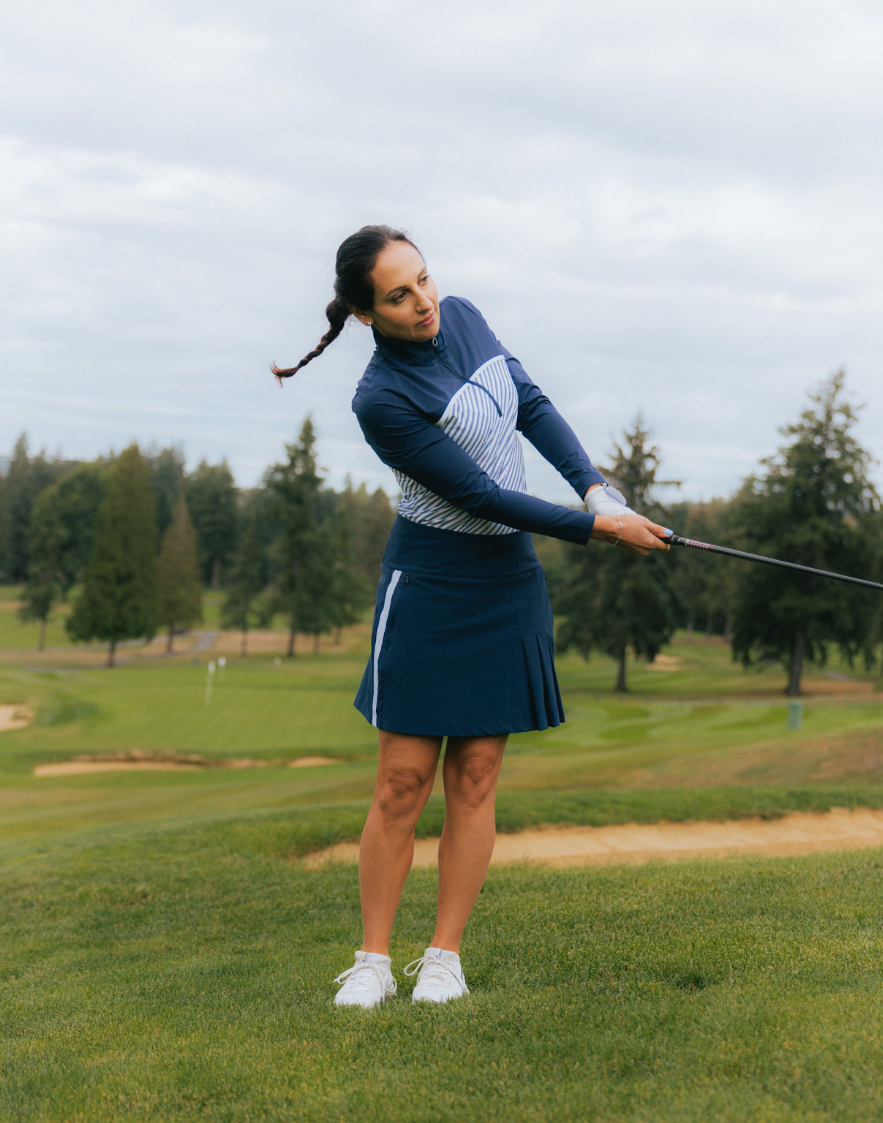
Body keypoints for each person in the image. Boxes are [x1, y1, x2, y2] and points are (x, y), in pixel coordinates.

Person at [273, 225, 669, 1008]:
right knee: (400, 781)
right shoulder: (380, 398)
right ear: (364, 314)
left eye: (422, 280)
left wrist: (594, 488)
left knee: (477, 775)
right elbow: (480, 497)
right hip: (430, 583)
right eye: (398, 295)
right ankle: (372, 961)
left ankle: (443, 955)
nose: (423, 302)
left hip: (504, 583)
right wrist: (598, 528)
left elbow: (530, 403)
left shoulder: (467, 318)